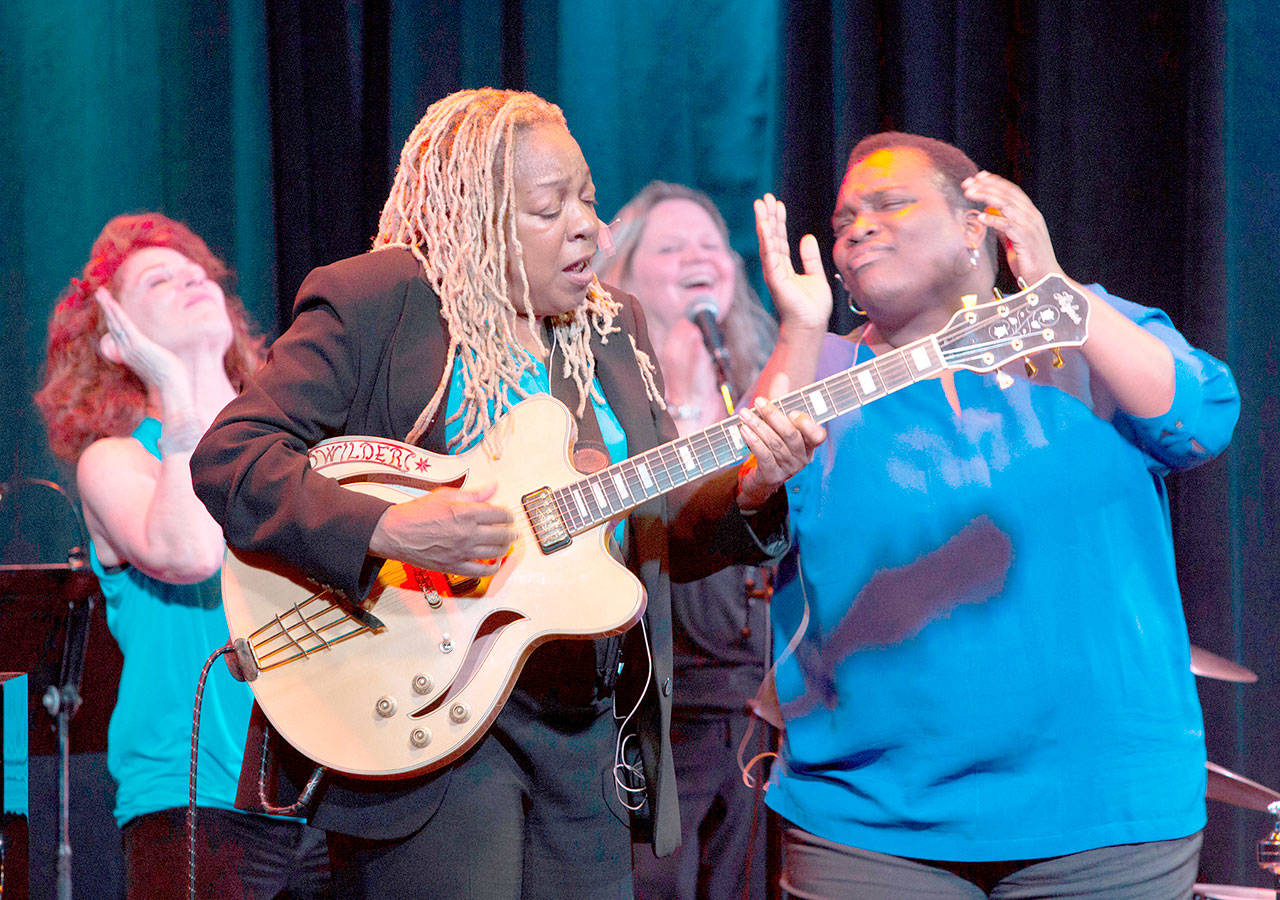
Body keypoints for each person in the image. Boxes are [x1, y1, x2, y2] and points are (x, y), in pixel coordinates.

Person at [188, 88, 824, 899]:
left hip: (588, 734)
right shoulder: (382, 300)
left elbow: (652, 533)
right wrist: (389, 528)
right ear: (476, 216)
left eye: (589, 200)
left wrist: (750, 490)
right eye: (549, 207)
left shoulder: (612, 326)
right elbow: (231, 457)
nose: (585, 225)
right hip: (428, 726)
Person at [751, 132, 1240, 898]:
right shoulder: (821, 371)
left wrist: (1057, 293)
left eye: (890, 203)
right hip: (873, 824)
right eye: (845, 219)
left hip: (1102, 817)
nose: (856, 228)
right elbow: (733, 502)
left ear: (977, 224)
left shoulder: (1082, 334)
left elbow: (1200, 418)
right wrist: (797, 334)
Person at [34, 213, 331, 898]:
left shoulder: (296, 443)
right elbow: (193, 548)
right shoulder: (117, 461)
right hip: (196, 801)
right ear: (114, 341)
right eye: (158, 280)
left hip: (330, 783)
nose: (192, 278)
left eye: (195, 271)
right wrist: (173, 385)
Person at [600, 181, 777, 900]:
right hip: (654, 708)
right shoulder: (595, 391)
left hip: (755, 715)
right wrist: (671, 389)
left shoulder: (766, 374)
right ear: (622, 274)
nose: (698, 258)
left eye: (711, 245)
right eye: (671, 247)